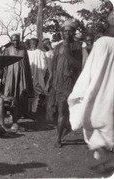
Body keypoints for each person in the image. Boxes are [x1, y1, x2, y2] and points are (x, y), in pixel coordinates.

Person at [68, 5, 114, 172]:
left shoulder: (101, 43)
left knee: (98, 129)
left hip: (100, 95)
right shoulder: (101, 42)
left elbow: (89, 71)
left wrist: (80, 91)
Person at [47, 19, 83, 148]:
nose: (67, 33)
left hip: (69, 82)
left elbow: (78, 65)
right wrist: (50, 79)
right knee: (53, 111)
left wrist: (67, 54)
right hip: (57, 82)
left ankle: (58, 138)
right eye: (65, 31)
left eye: (70, 31)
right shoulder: (57, 47)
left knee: (62, 110)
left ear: (73, 32)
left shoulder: (78, 46)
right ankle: (64, 127)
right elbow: (54, 65)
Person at [2, 33, 34, 131]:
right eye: (13, 40)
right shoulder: (7, 50)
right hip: (11, 76)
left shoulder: (23, 50)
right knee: (10, 96)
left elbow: (27, 64)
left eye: (17, 40)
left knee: (21, 95)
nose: (15, 42)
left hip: (22, 77)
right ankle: (11, 119)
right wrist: (4, 76)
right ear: (11, 41)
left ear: (20, 40)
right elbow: (4, 65)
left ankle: (17, 119)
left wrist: (28, 78)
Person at [27, 38, 48, 114]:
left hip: (31, 75)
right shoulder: (40, 53)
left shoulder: (39, 53)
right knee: (35, 93)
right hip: (36, 75)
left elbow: (44, 66)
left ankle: (30, 110)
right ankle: (32, 110)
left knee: (32, 93)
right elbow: (44, 66)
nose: (33, 44)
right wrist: (41, 74)